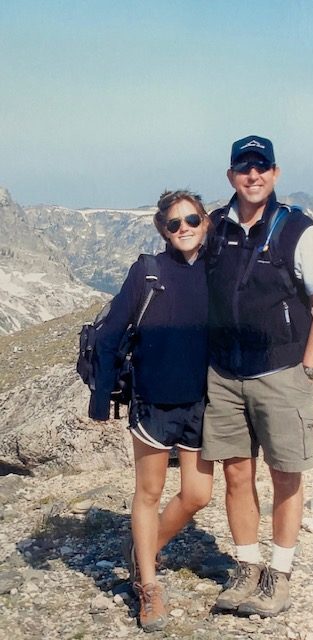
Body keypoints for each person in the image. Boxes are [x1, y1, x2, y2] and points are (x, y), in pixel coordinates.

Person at [202, 135, 313, 617]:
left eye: (262, 167)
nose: (253, 176)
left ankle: (278, 575)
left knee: (285, 475)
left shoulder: (297, 229)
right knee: (237, 474)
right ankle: (246, 566)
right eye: (244, 167)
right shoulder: (214, 226)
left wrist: (309, 369)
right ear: (231, 175)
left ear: (275, 174)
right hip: (224, 372)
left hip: (281, 372)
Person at [89, 190, 214, 633]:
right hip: (151, 402)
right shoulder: (148, 272)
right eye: (174, 223)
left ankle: (144, 550)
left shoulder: (217, 270)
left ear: (206, 222)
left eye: (192, 221)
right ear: (163, 229)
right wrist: (101, 401)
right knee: (149, 492)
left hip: (202, 403)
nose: (184, 229)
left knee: (198, 495)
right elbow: (109, 333)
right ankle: (149, 585)